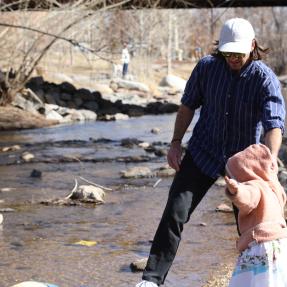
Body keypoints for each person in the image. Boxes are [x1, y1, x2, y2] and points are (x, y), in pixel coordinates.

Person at [135, 17, 285, 287]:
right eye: (228, 53)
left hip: (244, 164)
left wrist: (270, 160)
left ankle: (254, 279)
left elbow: (274, 125)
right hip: (204, 151)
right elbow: (187, 106)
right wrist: (175, 142)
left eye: (238, 53)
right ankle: (151, 280)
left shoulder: (265, 79)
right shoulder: (206, 68)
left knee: (252, 226)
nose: (233, 58)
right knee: (174, 213)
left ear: (252, 46)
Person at [224, 143, 287, 287]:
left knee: (254, 281)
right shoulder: (274, 187)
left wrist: (237, 191)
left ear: (245, 173)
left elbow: (248, 198)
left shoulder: (254, 187)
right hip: (280, 243)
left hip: (260, 245)